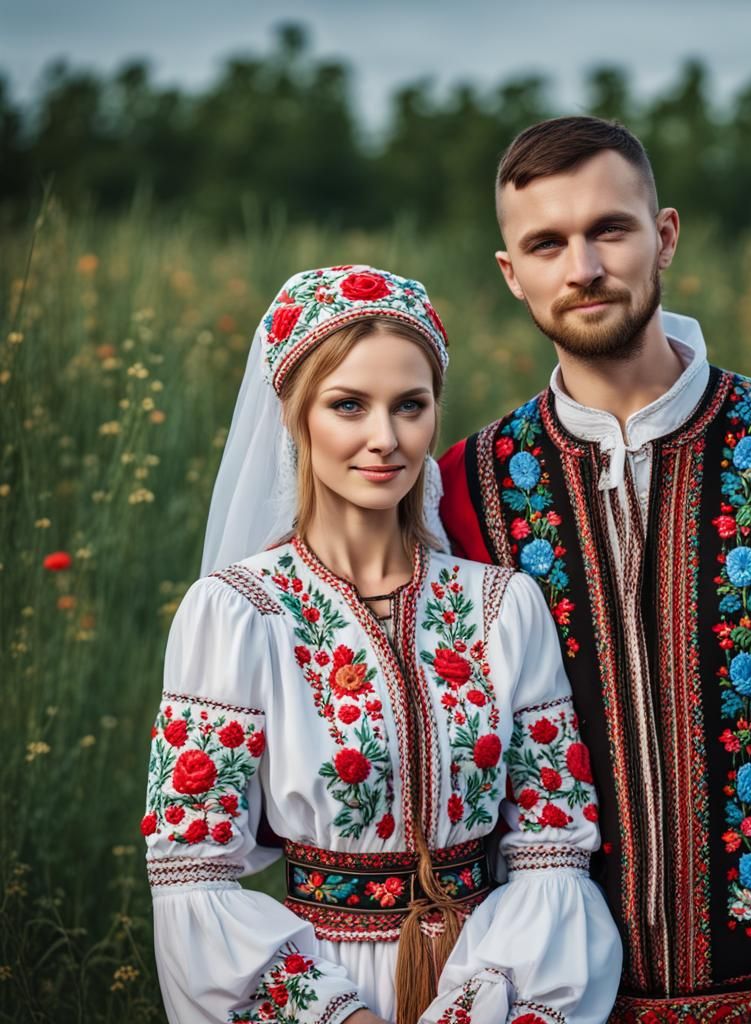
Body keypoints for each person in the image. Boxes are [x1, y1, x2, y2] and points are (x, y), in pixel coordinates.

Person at [439, 117, 751, 1023]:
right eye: (547, 243)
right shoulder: (468, 489)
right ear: (512, 275)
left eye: (610, 230)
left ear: (664, 235)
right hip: (549, 997)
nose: (583, 267)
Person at [140, 265, 621, 1024]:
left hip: (493, 978)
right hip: (325, 986)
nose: (385, 439)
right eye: (348, 406)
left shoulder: (501, 607)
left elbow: (552, 849)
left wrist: (480, 1004)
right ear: (296, 417)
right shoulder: (237, 614)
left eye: (410, 406)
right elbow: (192, 871)